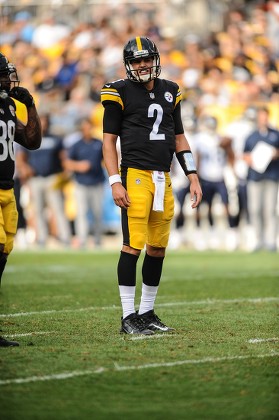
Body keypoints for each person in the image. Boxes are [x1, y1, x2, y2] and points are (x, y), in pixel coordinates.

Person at [101, 36, 202, 335]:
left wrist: (193, 174)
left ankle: (146, 312)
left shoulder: (171, 90)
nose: (143, 65)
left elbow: (180, 137)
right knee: (132, 246)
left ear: (155, 59)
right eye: (136, 60)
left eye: (147, 59)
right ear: (128, 64)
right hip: (134, 174)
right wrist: (115, 181)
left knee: (157, 247)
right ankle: (127, 316)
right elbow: (109, 142)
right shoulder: (118, 91)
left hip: (164, 176)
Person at [0, 52, 42, 346]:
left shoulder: (6, 104)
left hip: (8, 189)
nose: (8, 79)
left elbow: (32, 141)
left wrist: (30, 105)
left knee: (3, 255)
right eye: (4, 74)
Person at [16, 113, 71, 248]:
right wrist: (25, 168)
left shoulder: (56, 139)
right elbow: (21, 158)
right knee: (38, 209)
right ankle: (41, 238)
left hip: (52, 178)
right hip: (36, 179)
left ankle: (65, 238)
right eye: (42, 122)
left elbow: (64, 158)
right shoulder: (30, 138)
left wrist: (65, 174)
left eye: (46, 121)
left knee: (58, 208)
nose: (44, 124)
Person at [64, 117, 106, 248]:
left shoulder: (98, 143)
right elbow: (67, 162)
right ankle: (82, 240)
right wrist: (79, 166)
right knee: (81, 213)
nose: (87, 129)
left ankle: (98, 240)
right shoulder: (76, 145)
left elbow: (107, 159)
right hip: (81, 183)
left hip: (97, 182)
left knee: (97, 212)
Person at [243, 106, 279, 252]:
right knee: (255, 209)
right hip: (255, 177)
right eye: (260, 116)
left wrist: (274, 154)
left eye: (265, 116)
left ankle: (271, 241)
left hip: (271, 176)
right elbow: (244, 154)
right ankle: (258, 240)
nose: (263, 119)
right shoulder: (251, 136)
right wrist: (250, 159)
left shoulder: (275, 134)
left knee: (269, 210)